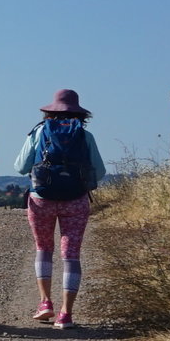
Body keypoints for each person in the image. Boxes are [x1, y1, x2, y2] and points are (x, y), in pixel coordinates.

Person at [15, 88, 108, 328]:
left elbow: (21, 167)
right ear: (79, 113)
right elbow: (100, 172)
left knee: (44, 248)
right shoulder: (85, 136)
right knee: (71, 256)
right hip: (75, 200)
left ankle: (45, 302)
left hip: (41, 199)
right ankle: (66, 314)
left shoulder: (38, 132)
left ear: (49, 111)